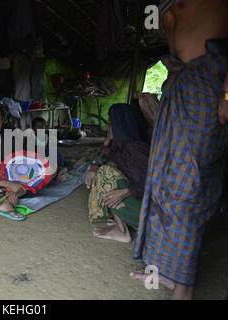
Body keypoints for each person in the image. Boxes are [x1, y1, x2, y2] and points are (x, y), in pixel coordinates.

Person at [130, 0, 228, 300]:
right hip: (180, 83)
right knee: (161, 183)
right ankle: (160, 270)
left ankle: (183, 289)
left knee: (187, 189)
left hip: (206, 84)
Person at [85, 104, 150, 243]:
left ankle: (122, 231)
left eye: (111, 123)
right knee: (102, 169)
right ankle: (120, 222)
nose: (107, 127)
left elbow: (155, 181)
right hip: (140, 209)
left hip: (150, 217)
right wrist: (94, 165)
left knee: (106, 173)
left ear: (122, 125)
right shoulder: (121, 146)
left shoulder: (136, 148)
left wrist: (126, 192)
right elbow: (103, 159)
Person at [31, 117, 67, 183]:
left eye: (42, 125)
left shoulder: (46, 136)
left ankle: (59, 170)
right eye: (37, 126)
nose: (40, 128)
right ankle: (54, 173)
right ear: (33, 128)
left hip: (45, 154)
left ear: (45, 127)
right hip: (37, 156)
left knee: (57, 153)